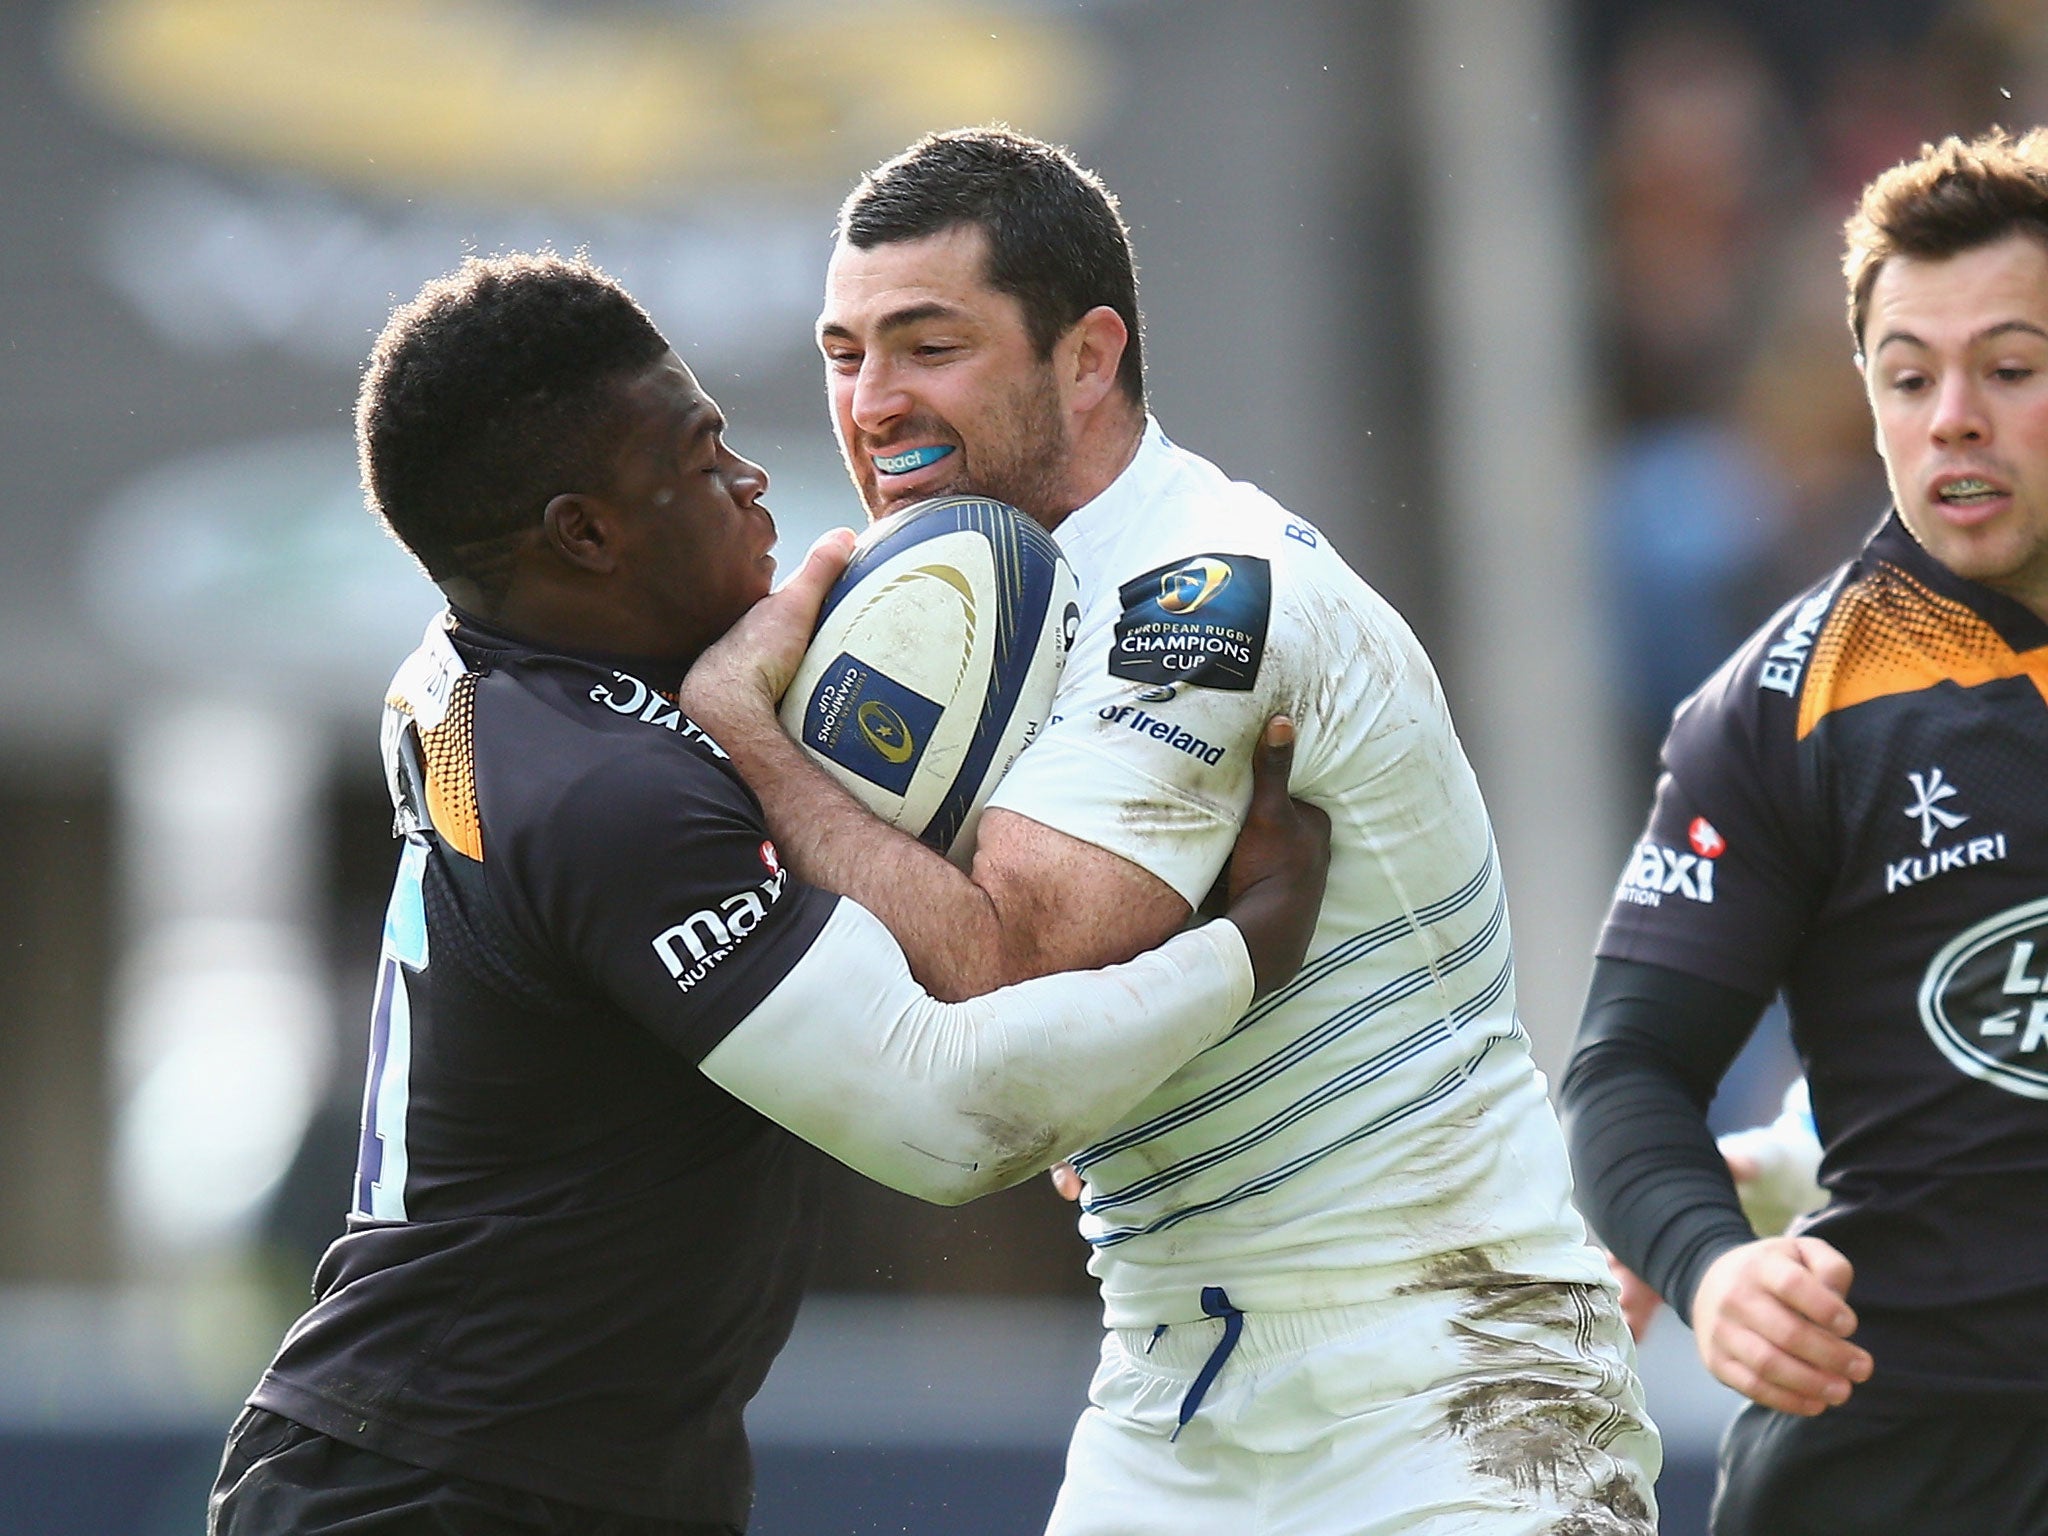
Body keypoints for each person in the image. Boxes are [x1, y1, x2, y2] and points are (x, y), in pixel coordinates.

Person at [206, 251, 1333, 1536]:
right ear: (585, 534)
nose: (752, 485)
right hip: (436, 1492)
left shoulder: (483, 683)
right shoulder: (602, 792)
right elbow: (944, 1120)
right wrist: (1246, 946)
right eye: (700, 459)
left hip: (516, 1475)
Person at [680, 127, 1659, 1535]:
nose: (875, 402)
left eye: (928, 345)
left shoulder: (1209, 590)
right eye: (846, 354)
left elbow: (1005, 979)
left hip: (1448, 1387)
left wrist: (757, 744)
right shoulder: (965, 593)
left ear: (1088, 357)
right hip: (1174, 1386)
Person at [1562, 126, 2048, 1536]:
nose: (1953, 416)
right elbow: (1627, 1075)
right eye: (1909, 377)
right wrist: (1717, 1274)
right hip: (1897, 1467)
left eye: (2010, 370)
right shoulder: (1787, 707)